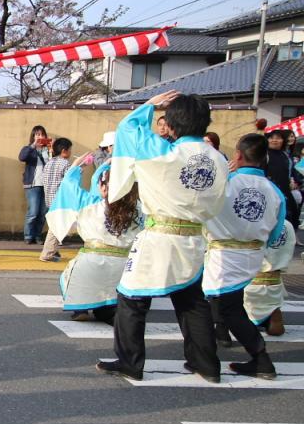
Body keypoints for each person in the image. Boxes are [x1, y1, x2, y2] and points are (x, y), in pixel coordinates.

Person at [97, 91, 228, 383]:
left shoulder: (164, 152)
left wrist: (149, 105)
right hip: (194, 237)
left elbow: (128, 129)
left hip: (160, 234)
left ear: (170, 123)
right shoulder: (218, 159)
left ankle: (131, 361)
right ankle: (206, 364)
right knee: (191, 300)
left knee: (132, 298)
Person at [204, 133, 285, 380]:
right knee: (227, 306)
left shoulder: (225, 182)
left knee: (229, 310)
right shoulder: (274, 191)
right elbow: (276, 232)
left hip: (224, 254)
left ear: (238, 155)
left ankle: (261, 358)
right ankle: (211, 349)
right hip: (253, 254)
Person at [47, 160, 142, 324]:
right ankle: (108, 310)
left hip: (92, 262)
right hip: (124, 266)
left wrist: (78, 168)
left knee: (69, 273)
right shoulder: (140, 210)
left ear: (104, 187)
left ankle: (80, 308)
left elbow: (69, 185)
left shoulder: (89, 203)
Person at [244, 218, 295, 337]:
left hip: (250, 280)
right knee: (272, 306)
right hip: (274, 281)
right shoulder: (287, 224)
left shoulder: (253, 222)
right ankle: (272, 316)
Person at [39, 137, 74, 263]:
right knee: (55, 228)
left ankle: (52, 250)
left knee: (56, 225)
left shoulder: (48, 163)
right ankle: (47, 254)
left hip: (49, 199)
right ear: (64, 151)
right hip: (60, 200)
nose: (70, 152)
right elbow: (71, 182)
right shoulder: (66, 164)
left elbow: (43, 180)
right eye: (70, 150)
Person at [19, 125, 51, 244]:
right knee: (33, 212)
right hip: (32, 185)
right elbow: (22, 157)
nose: (40, 137)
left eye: (42, 134)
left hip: (47, 185)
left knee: (43, 212)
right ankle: (28, 236)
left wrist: (52, 148)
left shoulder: (48, 149)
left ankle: (37, 236)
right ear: (33, 136)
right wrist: (33, 145)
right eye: (37, 134)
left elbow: (53, 163)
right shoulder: (29, 148)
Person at [266, 129, 300, 230]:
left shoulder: (285, 155)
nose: (274, 140)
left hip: (285, 190)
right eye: (271, 138)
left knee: (292, 214)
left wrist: (292, 181)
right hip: (269, 191)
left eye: (278, 138)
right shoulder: (264, 154)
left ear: (283, 141)